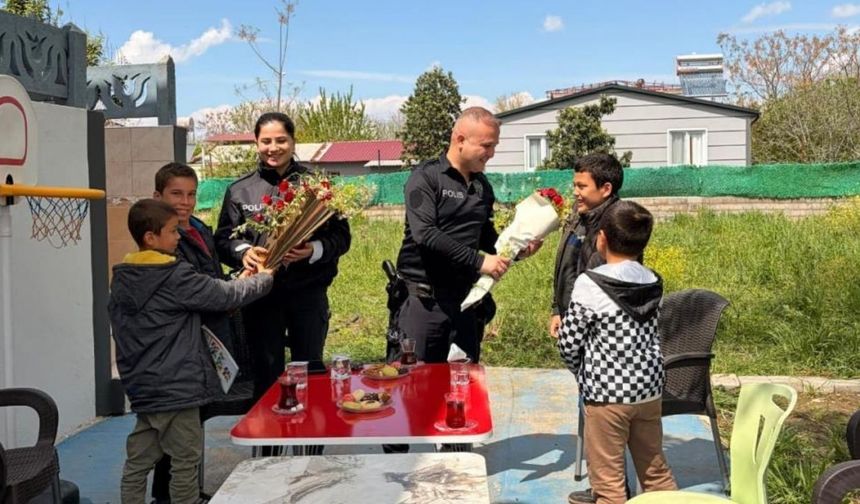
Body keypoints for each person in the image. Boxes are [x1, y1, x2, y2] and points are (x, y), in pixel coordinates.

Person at [110, 199, 273, 504]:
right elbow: (224, 296)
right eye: (173, 231)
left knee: (137, 463)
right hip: (179, 389)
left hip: (145, 390)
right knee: (186, 461)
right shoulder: (172, 275)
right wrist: (265, 278)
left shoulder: (123, 278)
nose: (178, 237)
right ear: (151, 237)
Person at [214, 112, 351, 401]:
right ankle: (267, 430)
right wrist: (244, 252)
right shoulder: (239, 190)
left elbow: (342, 238)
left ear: (293, 141)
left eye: (281, 140)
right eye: (266, 141)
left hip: (308, 294)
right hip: (261, 298)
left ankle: (311, 428)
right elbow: (224, 240)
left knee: (311, 372)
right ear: (256, 143)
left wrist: (313, 250)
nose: (273, 148)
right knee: (266, 375)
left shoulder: (319, 187)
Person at [388, 106, 539, 365]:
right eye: (486, 146)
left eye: (495, 146)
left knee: (464, 381)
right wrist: (479, 261)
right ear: (460, 140)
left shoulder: (482, 185)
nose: (492, 154)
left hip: (465, 303)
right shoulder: (426, 178)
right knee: (414, 382)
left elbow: (487, 238)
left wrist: (517, 250)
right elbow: (425, 234)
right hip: (424, 305)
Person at [558, 201, 677, 504]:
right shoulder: (653, 280)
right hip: (648, 390)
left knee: (608, 484)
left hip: (606, 395)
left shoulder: (589, 283)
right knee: (655, 471)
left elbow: (569, 343)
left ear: (601, 238)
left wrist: (583, 373)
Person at [150, 162, 238, 504]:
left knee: (193, 422)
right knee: (174, 427)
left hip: (206, 339)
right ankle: (166, 497)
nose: (185, 202)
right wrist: (241, 289)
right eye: (176, 194)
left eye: (191, 194)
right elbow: (199, 291)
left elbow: (212, 277)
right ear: (157, 196)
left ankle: (186, 492)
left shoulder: (200, 227)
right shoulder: (161, 240)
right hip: (179, 346)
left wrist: (231, 282)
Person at [549, 153, 625, 339]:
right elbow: (566, 264)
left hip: (598, 329)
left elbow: (614, 288)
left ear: (606, 189)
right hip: (571, 318)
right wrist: (558, 309)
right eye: (574, 185)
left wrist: (580, 325)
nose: (575, 192)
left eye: (582, 186)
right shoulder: (578, 214)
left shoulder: (619, 224)